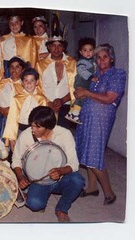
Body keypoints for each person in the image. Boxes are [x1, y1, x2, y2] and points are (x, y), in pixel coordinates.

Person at [12, 106, 85, 222]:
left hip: (60, 178)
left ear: (49, 127)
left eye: (37, 127)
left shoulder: (64, 134)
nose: (33, 129)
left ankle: (62, 208)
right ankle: (33, 194)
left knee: (78, 181)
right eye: (32, 125)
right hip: (37, 180)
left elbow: (74, 163)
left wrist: (60, 171)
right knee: (35, 204)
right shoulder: (26, 135)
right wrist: (21, 178)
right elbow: (16, 160)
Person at [75, 44, 126, 205]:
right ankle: (92, 188)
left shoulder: (117, 74)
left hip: (101, 119)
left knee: (94, 153)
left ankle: (109, 193)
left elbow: (110, 98)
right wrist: (80, 94)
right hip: (87, 117)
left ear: (111, 58)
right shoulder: (95, 74)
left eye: (105, 56)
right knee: (85, 150)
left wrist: (87, 93)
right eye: (98, 57)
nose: (101, 59)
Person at [36, 35, 76, 129]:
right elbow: (36, 87)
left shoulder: (72, 62)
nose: (56, 49)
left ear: (63, 47)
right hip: (45, 106)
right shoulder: (40, 64)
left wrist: (62, 100)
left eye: (59, 46)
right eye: (53, 45)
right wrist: (48, 103)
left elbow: (76, 86)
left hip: (66, 105)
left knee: (62, 137)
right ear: (48, 47)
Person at [3, 68, 47, 151]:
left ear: (37, 82)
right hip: (21, 130)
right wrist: (12, 138)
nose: (29, 83)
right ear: (22, 83)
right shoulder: (16, 99)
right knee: (21, 154)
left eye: (32, 80)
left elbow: (44, 120)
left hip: (37, 132)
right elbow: (12, 119)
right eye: (26, 81)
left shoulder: (41, 99)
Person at [0, 56, 28, 140]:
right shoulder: (2, 83)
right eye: (12, 67)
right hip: (3, 118)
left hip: (18, 120)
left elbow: (26, 102)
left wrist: (13, 109)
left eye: (17, 67)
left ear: (23, 69)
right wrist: (0, 109)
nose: (14, 69)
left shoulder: (25, 85)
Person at [65, 37, 96, 124]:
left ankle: (71, 112)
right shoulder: (81, 62)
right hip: (81, 81)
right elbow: (82, 71)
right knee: (81, 96)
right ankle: (75, 114)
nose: (88, 52)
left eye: (90, 50)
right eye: (85, 50)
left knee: (82, 96)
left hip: (86, 82)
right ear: (80, 52)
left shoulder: (93, 61)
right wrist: (91, 78)